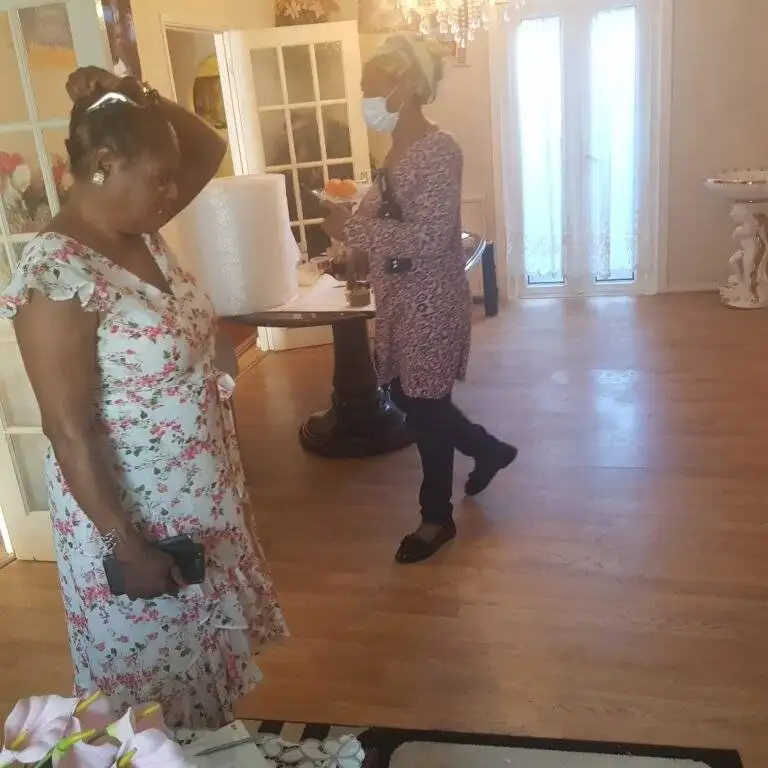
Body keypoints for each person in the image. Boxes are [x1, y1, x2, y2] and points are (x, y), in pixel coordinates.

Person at [0, 67, 288, 728]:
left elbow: (208, 149)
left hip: (198, 500)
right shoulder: (56, 275)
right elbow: (67, 431)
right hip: (135, 520)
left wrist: (136, 93)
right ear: (105, 165)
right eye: (159, 178)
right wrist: (125, 546)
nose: (171, 192)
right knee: (151, 698)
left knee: (204, 674)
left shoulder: (139, 230)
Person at [322, 34, 517, 565]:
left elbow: (430, 237)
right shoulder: (394, 152)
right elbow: (386, 220)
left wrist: (353, 232)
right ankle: (489, 450)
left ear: (405, 85)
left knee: (425, 405)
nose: (364, 98)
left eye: (371, 87)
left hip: (431, 299)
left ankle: (437, 517)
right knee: (407, 396)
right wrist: (355, 246)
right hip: (397, 298)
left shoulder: (439, 150)